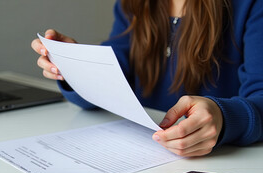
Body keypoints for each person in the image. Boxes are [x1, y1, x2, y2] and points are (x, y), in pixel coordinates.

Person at [31, 0, 263, 157]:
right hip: (140, 157)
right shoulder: (132, 4)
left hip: (215, 166)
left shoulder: (251, 6)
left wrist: (224, 117)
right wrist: (76, 67)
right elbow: (116, 70)